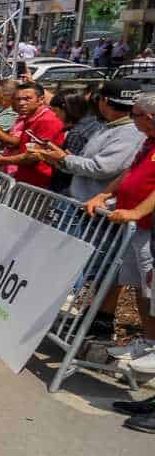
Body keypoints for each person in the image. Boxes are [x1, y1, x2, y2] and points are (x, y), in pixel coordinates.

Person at [83, 95, 155, 391]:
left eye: (136, 114)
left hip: (147, 228)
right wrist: (104, 194)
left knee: (152, 292)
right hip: (135, 228)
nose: (132, 119)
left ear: (150, 117)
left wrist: (138, 211)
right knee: (139, 288)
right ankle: (148, 343)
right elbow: (130, 175)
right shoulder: (148, 141)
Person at [0, 80, 65, 189]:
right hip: (24, 180)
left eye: (27, 99)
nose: (21, 103)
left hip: (39, 183)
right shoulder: (28, 118)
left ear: (40, 100)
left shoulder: (47, 120)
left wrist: (1, 160)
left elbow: (34, 156)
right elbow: (20, 148)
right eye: (18, 99)